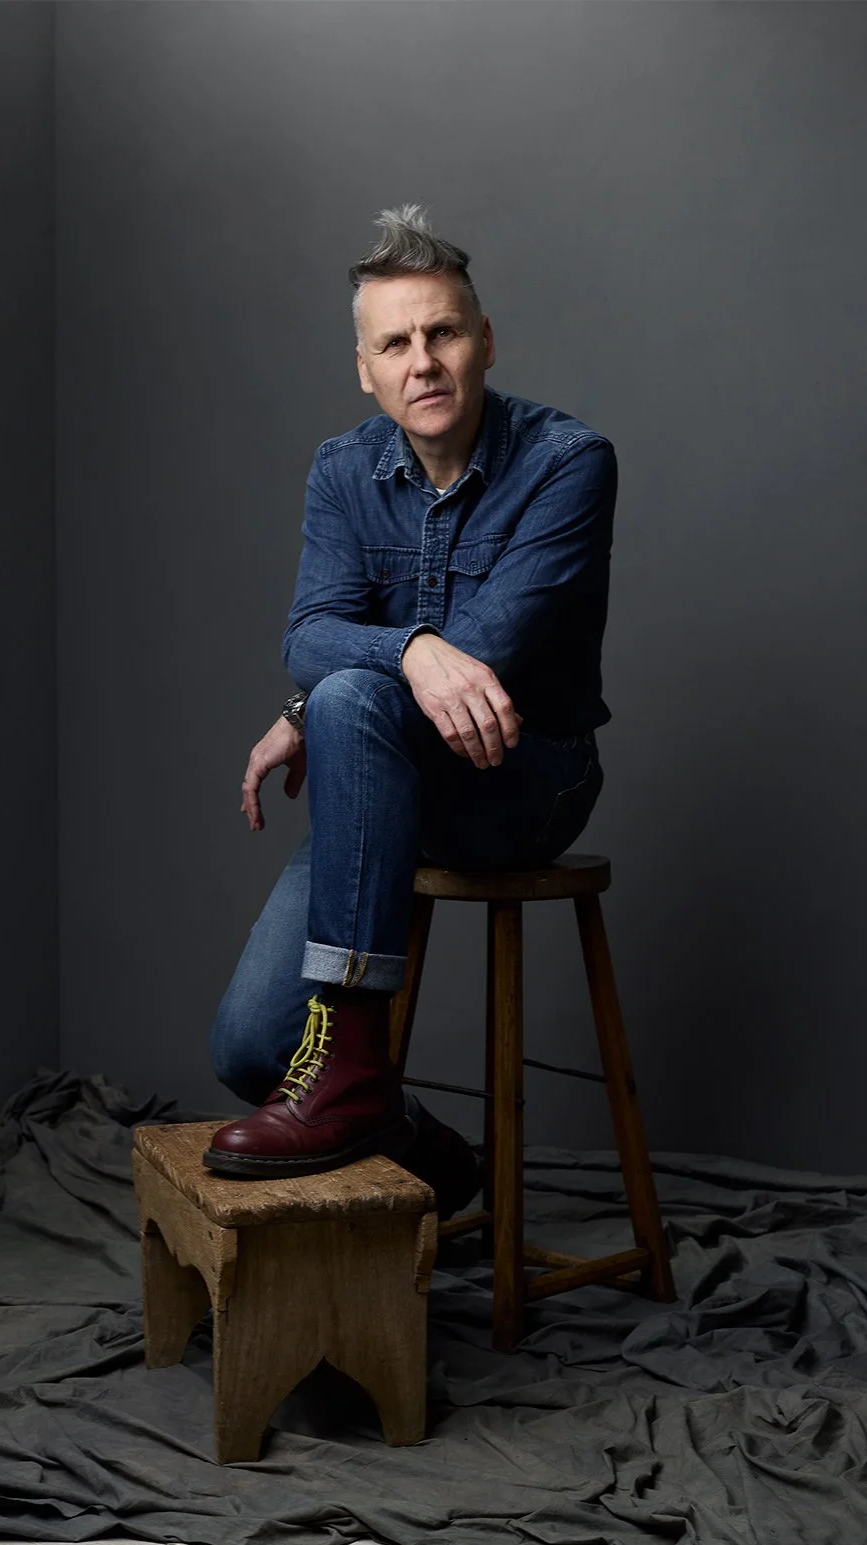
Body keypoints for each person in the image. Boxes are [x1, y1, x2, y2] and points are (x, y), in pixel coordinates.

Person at [204, 205, 615, 1218]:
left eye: (441, 333)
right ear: (365, 368)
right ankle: (386, 1113)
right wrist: (397, 656)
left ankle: (343, 1073)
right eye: (395, 342)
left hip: (521, 779)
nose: (421, 360)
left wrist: (327, 695)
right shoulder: (343, 471)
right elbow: (307, 630)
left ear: (482, 342)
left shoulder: (567, 463)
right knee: (249, 1048)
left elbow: (487, 653)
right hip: (381, 776)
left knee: (344, 691)